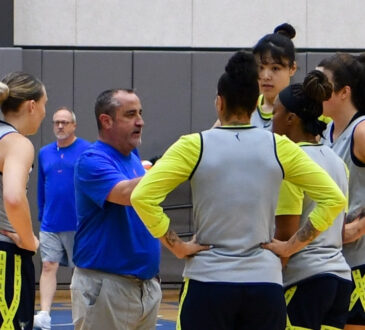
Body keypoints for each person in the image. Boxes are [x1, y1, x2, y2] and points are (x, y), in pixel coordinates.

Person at [131, 51, 346, 330]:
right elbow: (334, 199)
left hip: (208, 282)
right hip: (264, 285)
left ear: (219, 102)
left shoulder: (193, 145)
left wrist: (178, 246)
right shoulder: (279, 147)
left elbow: (142, 196)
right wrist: (290, 246)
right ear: (255, 106)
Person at [70, 89, 162, 330]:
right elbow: (128, 194)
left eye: (140, 114)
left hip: (145, 288)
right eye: (130, 114)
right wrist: (174, 164)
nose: (140, 121)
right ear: (106, 120)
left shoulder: (132, 158)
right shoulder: (91, 160)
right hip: (106, 288)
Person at [269, 70, 352, 329]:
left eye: (274, 113)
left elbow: (285, 235)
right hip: (340, 279)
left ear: (291, 118)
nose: (271, 121)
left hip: (304, 280)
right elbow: (338, 228)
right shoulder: (336, 161)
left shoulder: (291, 164)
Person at [318, 53, 365, 330]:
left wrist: (360, 226)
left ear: (344, 92)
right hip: (332, 261)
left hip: (360, 261)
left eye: (323, 84)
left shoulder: (361, 131)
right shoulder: (324, 131)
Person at [33, 107, 90, 330]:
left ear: (73, 125)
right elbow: (41, 187)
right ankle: (45, 314)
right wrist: (41, 213)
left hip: (79, 223)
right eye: (56, 122)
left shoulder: (87, 150)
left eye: (65, 122)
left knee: (81, 271)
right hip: (50, 222)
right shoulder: (44, 152)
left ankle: (81, 316)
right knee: (48, 265)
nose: (60, 126)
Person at [0, 72, 47, 330]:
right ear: (32, 105)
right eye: (44, 105)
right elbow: (14, 197)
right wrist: (29, 239)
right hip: (6, 256)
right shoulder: (17, 143)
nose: (43, 113)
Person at [251, 23, 297, 130]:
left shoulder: (305, 111)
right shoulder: (243, 109)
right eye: (260, 68)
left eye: (275, 68)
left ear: (292, 68)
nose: (266, 76)